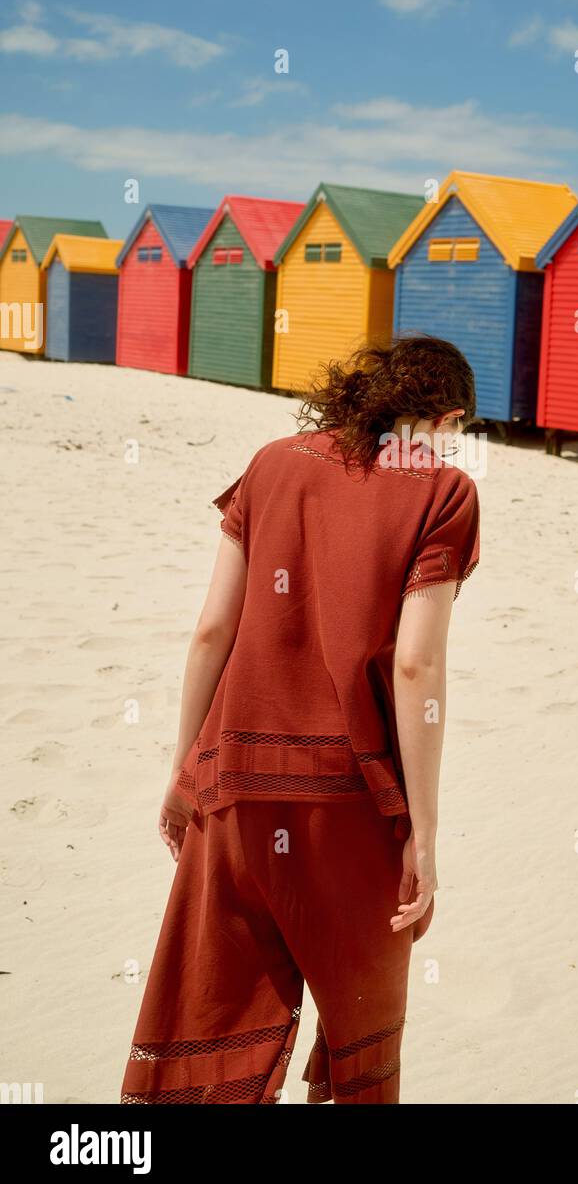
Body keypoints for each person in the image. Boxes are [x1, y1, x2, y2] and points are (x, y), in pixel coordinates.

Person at [119, 334, 480, 1105]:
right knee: (363, 1045)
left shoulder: (273, 462)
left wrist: (186, 772)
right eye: (456, 433)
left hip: (235, 777)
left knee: (213, 1015)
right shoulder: (444, 492)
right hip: (350, 799)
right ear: (444, 418)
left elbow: (212, 629)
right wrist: (424, 829)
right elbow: (417, 665)